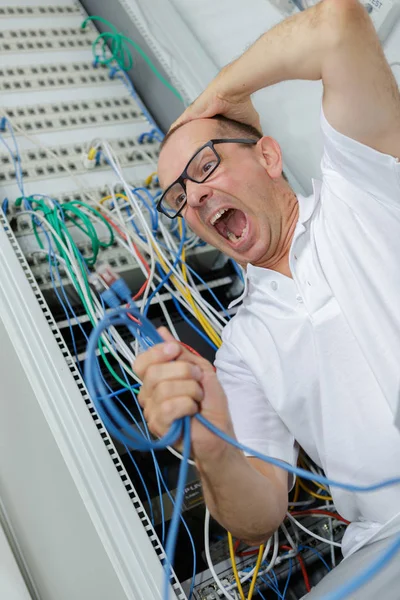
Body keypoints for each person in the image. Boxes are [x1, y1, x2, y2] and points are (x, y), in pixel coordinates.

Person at [134, 0, 400, 595]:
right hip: (386, 548)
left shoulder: (365, 184)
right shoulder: (242, 349)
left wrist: (216, 97)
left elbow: (339, 24)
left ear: (270, 156)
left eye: (205, 165)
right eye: (178, 196)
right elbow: (259, 515)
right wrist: (211, 445)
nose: (194, 197)